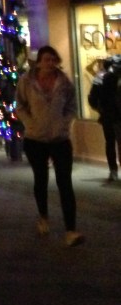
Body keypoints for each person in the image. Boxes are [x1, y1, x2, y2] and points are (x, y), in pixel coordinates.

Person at [16, 45, 84, 247]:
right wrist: (30, 123)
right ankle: (43, 216)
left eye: (53, 60)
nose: (50, 63)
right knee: (41, 179)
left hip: (59, 139)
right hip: (35, 139)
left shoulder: (64, 82)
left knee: (65, 183)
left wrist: (65, 123)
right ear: (39, 62)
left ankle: (70, 230)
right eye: (47, 59)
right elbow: (20, 105)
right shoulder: (27, 81)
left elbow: (72, 105)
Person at [88, 56, 121, 182]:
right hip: (114, 115)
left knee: (110, 142)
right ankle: (113, 170)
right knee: (114, 142)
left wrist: (101, 110)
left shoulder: (100, 77)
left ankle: (113, 170)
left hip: (108, 115)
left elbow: (92, 98)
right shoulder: (106, 77)